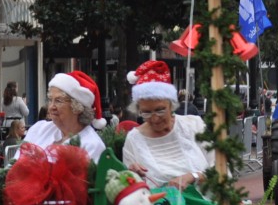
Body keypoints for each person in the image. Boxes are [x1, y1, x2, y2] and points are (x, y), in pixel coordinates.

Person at [123, 60, 213, 190]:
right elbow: (131, 192)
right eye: (146, 112)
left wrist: (193, 176)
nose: (154, 118)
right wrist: (132, 176)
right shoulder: (133, 139)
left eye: (160, 110)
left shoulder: (193, 125)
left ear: (172, 105)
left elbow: (221, 169)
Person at [19, 71, 106, 162]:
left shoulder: (92, 145)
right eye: (50, 100)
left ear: (77, 107)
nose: (51, 107)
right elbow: (15, 165)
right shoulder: (39, 129)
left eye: (58, 101)